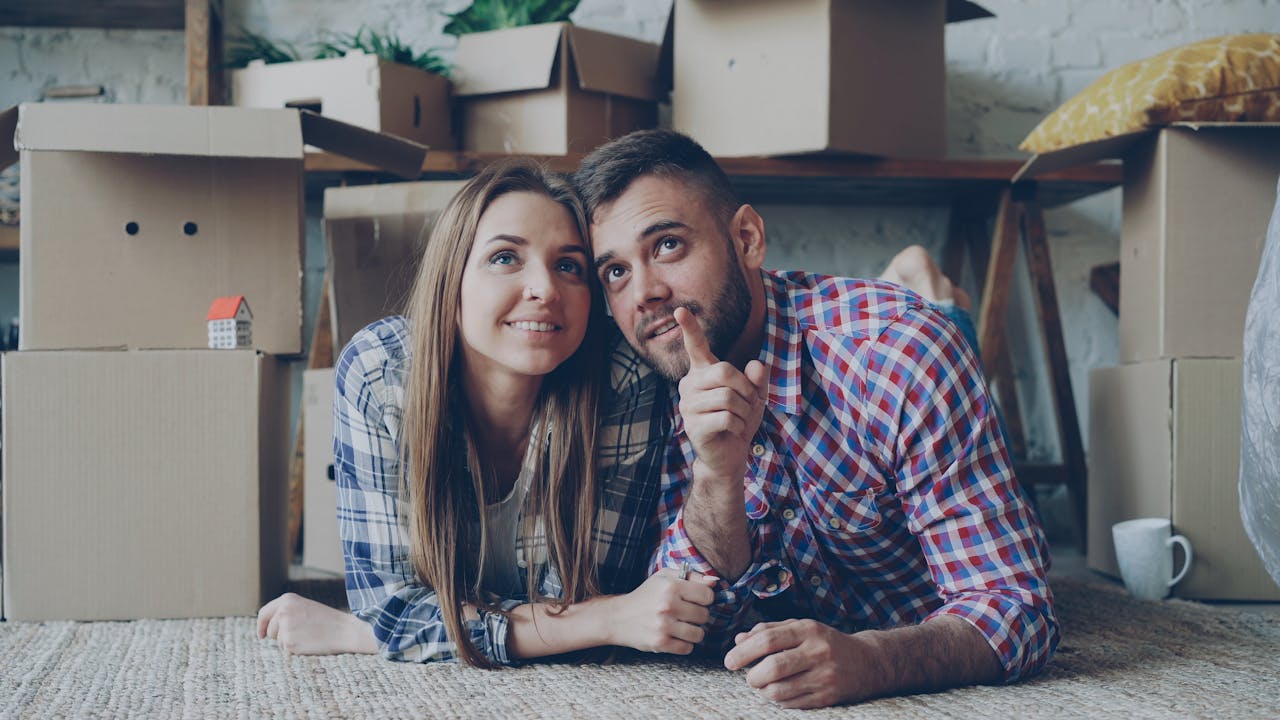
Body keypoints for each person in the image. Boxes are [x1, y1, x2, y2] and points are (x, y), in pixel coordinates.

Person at [572, 129, 1059, 708]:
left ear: (748, 239)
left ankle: (932, 293)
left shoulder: (902, 355)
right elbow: (694, 621)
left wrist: (872, 661)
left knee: (945, 335)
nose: (645, 293)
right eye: (616, 273)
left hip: (897, 362)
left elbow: (1019, 607)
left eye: (669, 245)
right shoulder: (649, 375)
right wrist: (716, 476)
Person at [257, 158, 715, 664]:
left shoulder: (623, 380)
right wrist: (605, 619)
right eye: (505, 258)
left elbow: (585, 605)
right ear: (451, 280)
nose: (544, 288)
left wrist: (364, 634)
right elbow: (396, 608)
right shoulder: (380, 374)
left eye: (569, 266)